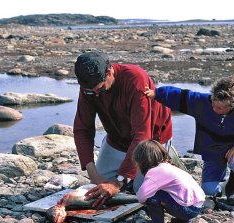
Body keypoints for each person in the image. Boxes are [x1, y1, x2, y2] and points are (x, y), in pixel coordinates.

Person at [145, 74, 234, 206]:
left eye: (219, 108)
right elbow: (182, 96)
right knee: (208, 190)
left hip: (233, 149)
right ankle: (222, 186)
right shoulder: (204, 103)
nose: (214, 109)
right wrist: (157, 93)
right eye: (213, 104)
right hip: (212, 151)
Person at [73, 52, 173, 207]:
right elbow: (83, 129)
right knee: (97, 188)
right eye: (90, 91)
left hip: (151, 141)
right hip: (117, 139)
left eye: (101, 89)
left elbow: (142, 135)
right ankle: (126, 173)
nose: (96, 94)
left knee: (142, 192)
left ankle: (167, 161)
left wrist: (118, 182)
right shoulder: (89, 88)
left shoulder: (135, 79)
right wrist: (93, 175)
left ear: (110, 72)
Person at [133, 140, 205, 223]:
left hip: (187, 210)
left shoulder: (154, 172)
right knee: (171, 192)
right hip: (198, 207)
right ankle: (181, 220)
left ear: (142, 160)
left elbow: (142, 196)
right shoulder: (169, 167)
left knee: (152, 196)